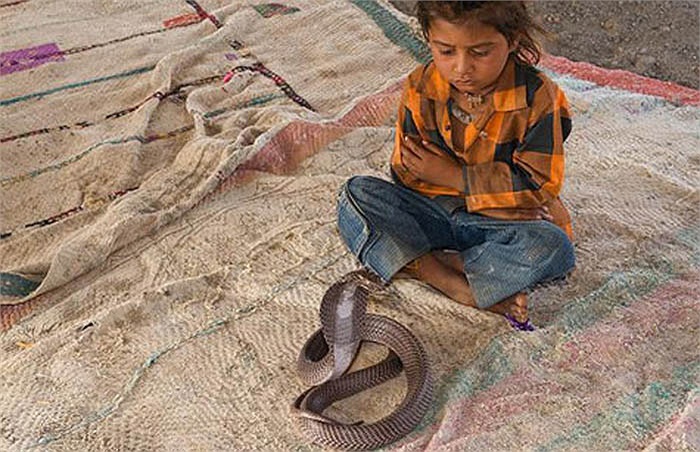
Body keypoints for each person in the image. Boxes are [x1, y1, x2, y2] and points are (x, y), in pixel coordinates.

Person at [336, 1, 575, 329]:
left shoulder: (539, 98)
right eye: (446, 51)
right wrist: (487, 195)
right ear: (429, 39)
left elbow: (538, 184)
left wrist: (457, 178)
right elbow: (408, 174)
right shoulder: (421, 87)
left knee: (553, 247)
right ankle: (456, 284)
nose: (462, 68)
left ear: (514, 40)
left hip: (501, 225)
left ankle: (429, 262)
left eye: (480, 52)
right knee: (355, 196)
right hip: (441, 211)